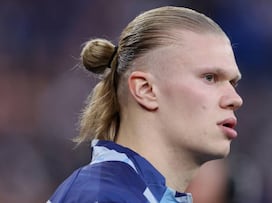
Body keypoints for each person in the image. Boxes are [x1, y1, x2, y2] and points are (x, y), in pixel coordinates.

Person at [48, 6, 243, 203]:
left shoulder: (126, 193)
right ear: (146, 90)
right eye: (209, 77)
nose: (235, 98)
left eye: (233, 83)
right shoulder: (102, 196)